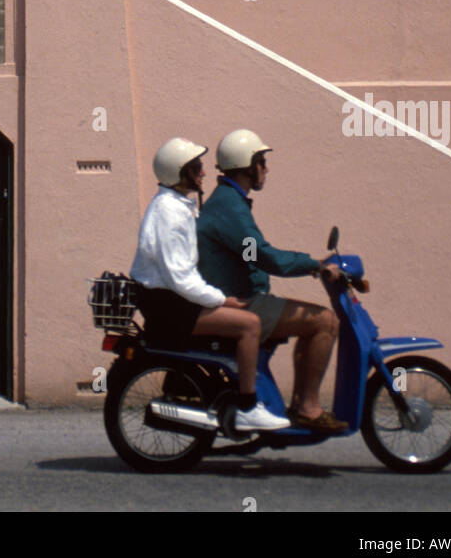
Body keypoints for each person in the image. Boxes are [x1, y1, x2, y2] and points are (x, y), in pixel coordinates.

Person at [130, 136, 290, 433]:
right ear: (181, 173)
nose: (204, 172)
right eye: (196, 167)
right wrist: (220, 299)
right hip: (170, 305)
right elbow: (181, 276)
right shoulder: (171, 211)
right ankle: (247, 406)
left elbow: (240, 251)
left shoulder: (180, 205)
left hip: (174, 299)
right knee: (250, 325)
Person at [197, 128, 348, 433]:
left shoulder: (230, 202)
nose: (266, 169)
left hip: (244, 295)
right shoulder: (230, 208)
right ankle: (308, 408)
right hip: (242, 301)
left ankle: (297, 405)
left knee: (313, 322)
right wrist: (314, 265)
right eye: (262, 162)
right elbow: (260, 255)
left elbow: (251, 253)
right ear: (248, 165)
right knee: (326, 322)